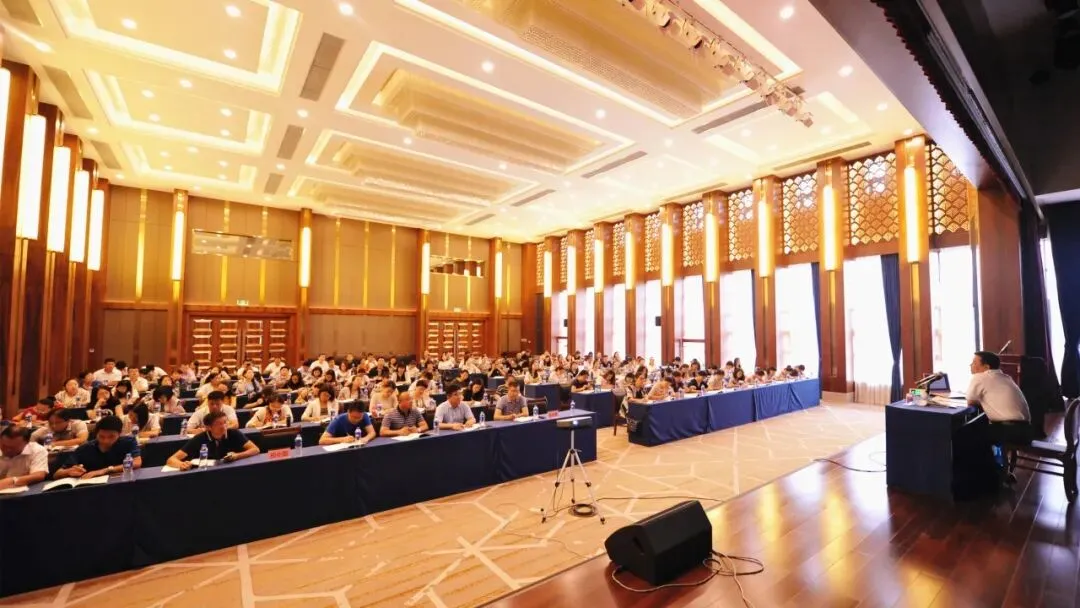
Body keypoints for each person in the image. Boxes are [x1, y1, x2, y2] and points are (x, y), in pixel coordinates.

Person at [967, 351, 1033, 444]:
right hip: (1026, 431)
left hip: (1008, 431)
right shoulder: (1005, 377)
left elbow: (971, 402)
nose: (970, 365)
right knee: (979, 427)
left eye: (974, 362)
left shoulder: (980, 377)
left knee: (964, 433)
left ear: (986, 367)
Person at [165, 411, 260, 470]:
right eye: (219, 424)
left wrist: (237, 455)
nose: (224, 426)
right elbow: (171, 459)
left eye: (225, 422)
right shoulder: (199, 438)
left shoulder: (234, 433)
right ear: (208, 427)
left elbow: (255, 449)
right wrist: (182, 464)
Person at [54, 416, 142, 479]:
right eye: (101, 436)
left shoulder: (128, 442)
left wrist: (104, 471)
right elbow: (57, 474)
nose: (106, 441)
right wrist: (68, 471)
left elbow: (137, 462)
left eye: (111, 437)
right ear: (96, 434)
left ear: (120, 434)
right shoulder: (85, 448)